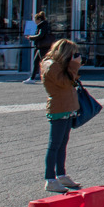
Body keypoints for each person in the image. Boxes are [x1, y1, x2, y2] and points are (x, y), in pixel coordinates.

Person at [42, 38, 83, 192]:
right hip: (59, 108)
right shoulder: (51, 65)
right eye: (71, 54)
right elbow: (65, 83)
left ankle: (61, 174)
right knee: (54, 145)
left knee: (62, 144)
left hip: (67, 107)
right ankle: (50, 178)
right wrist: (73, 66)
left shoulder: (58, 65)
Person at [23, 12, 53, 84]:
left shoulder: (42, 25)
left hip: (43, 46)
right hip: (42, 46)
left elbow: (40, 35)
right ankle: (32, 78)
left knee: (43, 62)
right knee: (36, 62)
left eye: (35, 20)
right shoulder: (44, 25)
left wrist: (31, 37)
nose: (35, 22)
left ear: (39, 19)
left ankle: (47, 77)